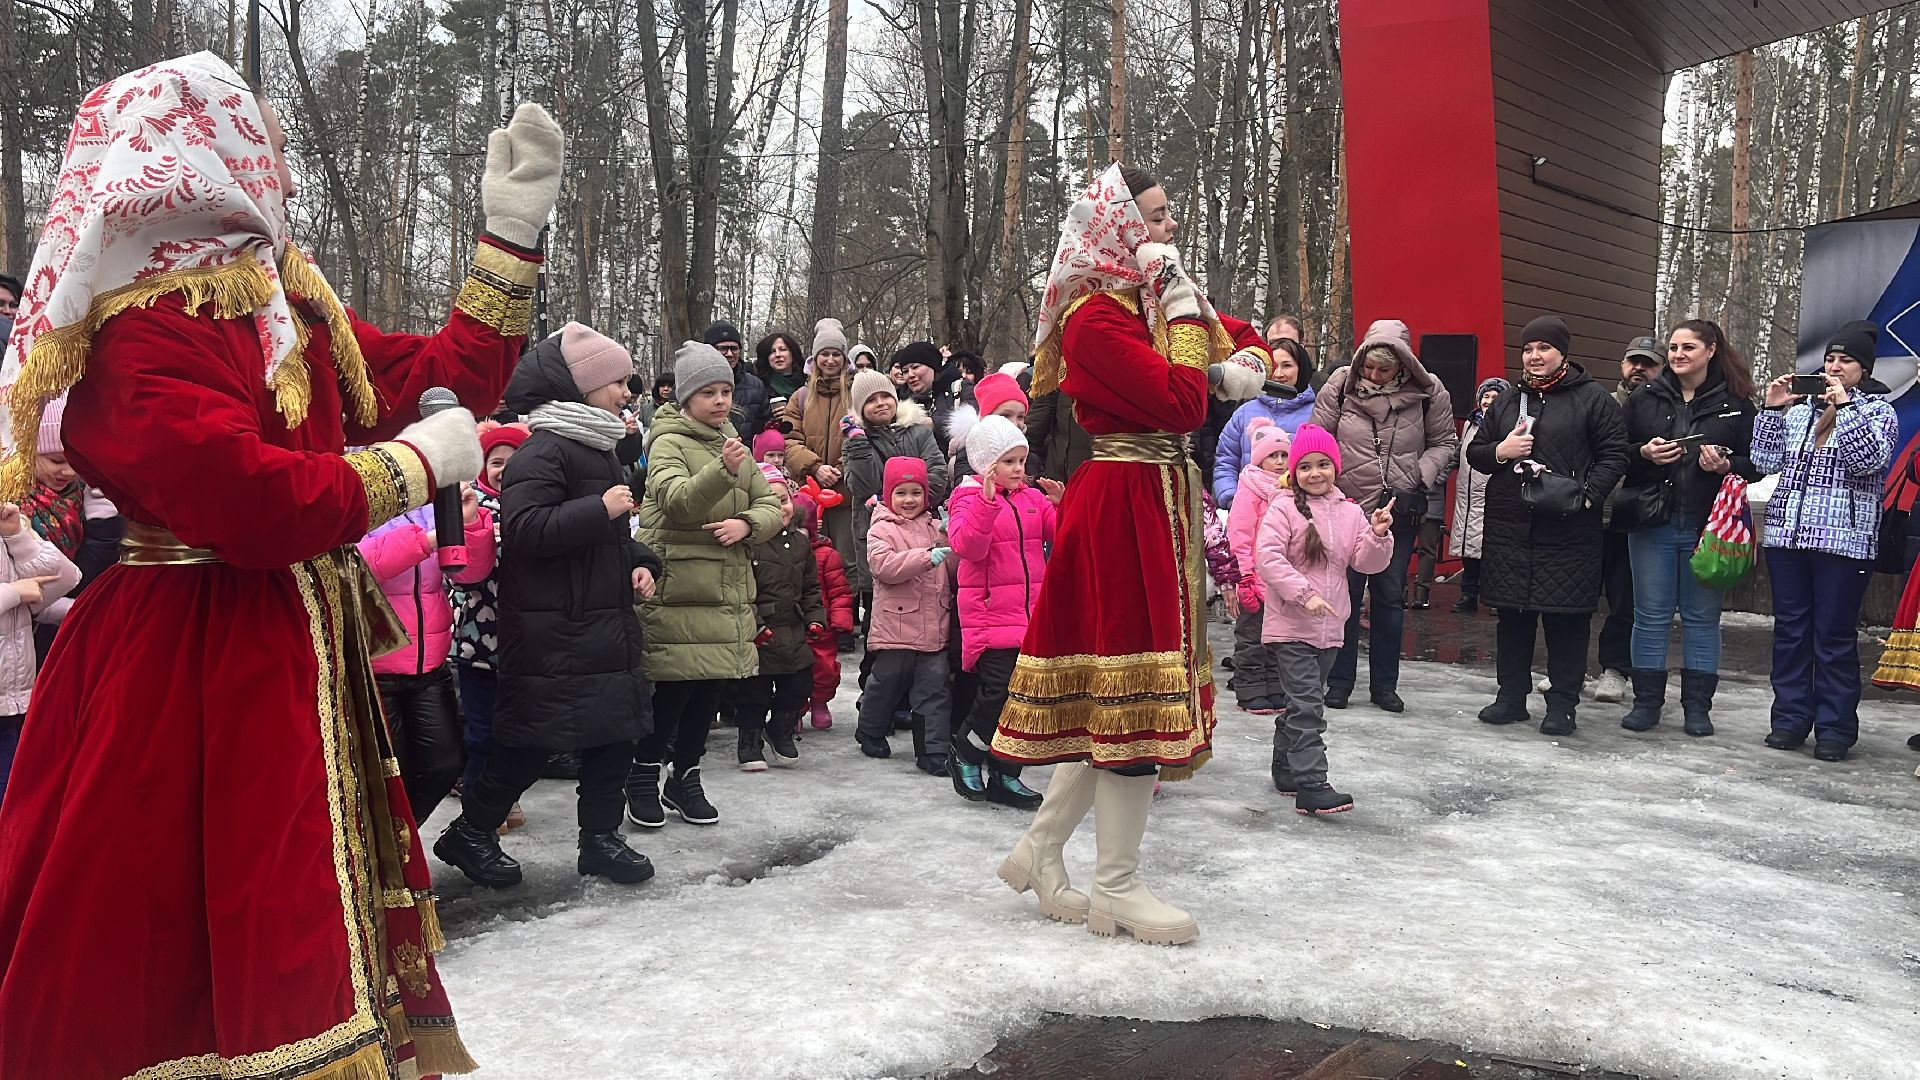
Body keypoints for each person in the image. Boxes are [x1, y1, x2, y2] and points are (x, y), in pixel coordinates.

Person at [0, 54, 559, 1076]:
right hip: (192, 658)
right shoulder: (140, 325)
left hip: (287, 641)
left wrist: (510, 240)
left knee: (295, 888)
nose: (287, 170)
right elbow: (246, 504)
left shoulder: (282, 299)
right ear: (201, 154)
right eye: (268, 142)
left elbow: (440, 383)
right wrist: (406, 469)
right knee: (190, 904)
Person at [992, 163, 1269, 947]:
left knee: (1109, 700)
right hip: (1123, 499)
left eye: (1169, 212)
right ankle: (1117, 885)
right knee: (1131, 692)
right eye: (1155, 216)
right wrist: (1195, 331)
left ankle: (1041, 849)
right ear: (1119, 228)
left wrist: (1222, 352)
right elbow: (1185, 399)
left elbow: (1246, 345)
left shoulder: (1138, 303)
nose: (1169, 227)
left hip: (1157, 496)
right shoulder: (1094, 318)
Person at [436, 324, 663, 892]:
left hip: (596, 619)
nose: (626, 391)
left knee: (616, 734)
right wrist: (600, 509)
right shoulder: (543, 450)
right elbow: (528, 530)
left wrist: (640, 560)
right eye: (615, 382)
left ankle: (600, 839)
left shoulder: (593, 446)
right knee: (532, 742)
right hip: (552, 628)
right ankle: (471, 831)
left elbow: (604, 536)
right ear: (579, 389)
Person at [628, 342, 784, 824]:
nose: (720, 401)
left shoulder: (733, 443)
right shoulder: (667, 441)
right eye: (709, 392)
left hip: (726, 590)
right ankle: (642, 775)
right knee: (673, 691)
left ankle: (686, 776)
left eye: (726, 391)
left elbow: (771, 505)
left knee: (709, 693)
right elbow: (678, 502)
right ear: (685, 398)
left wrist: (747, 526)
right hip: (678, 589)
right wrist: (723, 471)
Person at [1467, 315, 1630, 736]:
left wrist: (1588, 496)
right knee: (1513, 617)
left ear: (1563, 352)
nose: (1535, 356)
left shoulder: (1593, 399)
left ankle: (1562, 706)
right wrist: (1501, 450)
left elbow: (1615, 455)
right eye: (1528, 349)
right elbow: (1477, 453)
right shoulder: (1506, 400)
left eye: (1544, 348)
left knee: (1566, 620)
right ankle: (1510, 698)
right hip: (1510, 526)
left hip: (1569, 530)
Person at [1754, 320, 1897, 762]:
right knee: (1791, 632)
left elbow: (1866, 461)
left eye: (1845, 361)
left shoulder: (1878, 412)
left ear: (1863, 369)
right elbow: (1763, 460)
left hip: (1844, 542)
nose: (1834, 367)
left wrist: (1846, 407)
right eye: (1830, 359)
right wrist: (1773, 410)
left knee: (1832, 636)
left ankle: (1835, 728)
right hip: (1787, 537)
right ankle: (1790, 720)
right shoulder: (1800, 410)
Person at [1616, 320, 1757, 737]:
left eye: (1688, 347)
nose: (1677, 354)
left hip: (1707, 526)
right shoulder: (1644, 397)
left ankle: (1698, 708)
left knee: (1701, 618)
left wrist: (1727, 465)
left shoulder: (1736, 402)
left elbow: (1758, 462)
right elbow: (1614, 453)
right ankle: (1646, 704)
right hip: (1652, 522)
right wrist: (1644, 452)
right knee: (1650, 616)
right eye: (1673, 347)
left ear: (1711, 350)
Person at [1309, 319, 1458, 712]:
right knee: (1345, 596)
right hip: (1344, 509)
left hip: (1398, 511)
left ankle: (1385, 687)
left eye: (1384, 369)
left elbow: (1445, 444)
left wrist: (1419, 477)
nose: (1374, 375)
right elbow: (1316, 441)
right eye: (1369, 367)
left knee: (1390, 596)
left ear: (1404, 365)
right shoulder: (1340, 384)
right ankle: (1338, 682)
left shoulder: (1430, 391)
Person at [1256, 424, 1395, 814]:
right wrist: (1306, 595)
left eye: (1323, 465)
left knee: (1303, 702)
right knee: (1308, 707)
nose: (1315, 473)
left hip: (1331, 629)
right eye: (1305, 467)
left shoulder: (1350, 512)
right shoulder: (1283, 507)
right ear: (1294, 473)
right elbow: (1268, 558)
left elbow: (1366, 563)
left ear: (1335, 467)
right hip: (1291, 626)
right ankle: (1312, 784)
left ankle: (1285, 765)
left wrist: (1379, 535)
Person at [359, 469, 496, 824]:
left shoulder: (430, 503)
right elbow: (365, 566)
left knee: (445, 764)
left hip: (429, 665)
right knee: (390, 774)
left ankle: (398, 849)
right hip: (375, 669)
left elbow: (468, 574)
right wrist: (431, 538)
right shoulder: (359, 503)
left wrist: (467, 523)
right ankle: (389, 859)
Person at [947, 415, 1061, 808]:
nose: (1018, 470)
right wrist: (987, 502)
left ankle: (1005, 771)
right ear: (986, 464)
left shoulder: (1032, 498)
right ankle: (967, 749)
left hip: (1031, 618)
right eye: (1009, 462)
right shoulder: (968, 498)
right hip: (992, 617)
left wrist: (1062, 506)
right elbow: (967, 547)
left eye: (1021, 461)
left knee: (1024, 701)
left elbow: (1060, 539)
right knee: (998, 693)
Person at [451, 422, 530, 831]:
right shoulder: (472, 505)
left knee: (515, 729)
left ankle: (506, 796)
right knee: (482, 729)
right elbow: (461, 572)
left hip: (526, 640)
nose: (505, 470)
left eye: (514, 462)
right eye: (496, 462)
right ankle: (479, 804)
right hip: (478, 642)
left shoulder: (537, 505)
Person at [857, 456, 954, 772]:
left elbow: (951, 566)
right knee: (886, 683)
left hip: (934, 625)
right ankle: (870, 729)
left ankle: (932, 752)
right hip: (896, 626)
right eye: (901, 493)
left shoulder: (933, 526)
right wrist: (926, 557)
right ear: (888, 495)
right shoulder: (881, 529)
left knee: (934, 689)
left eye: (916, 492)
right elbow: (884, 567)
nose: (909, 500)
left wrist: (951, 538)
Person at [1590, 336, 1667, 701]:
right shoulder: (1599, 404)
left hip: (1634, 515)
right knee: (1576, 596)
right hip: (1591, 513)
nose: (1639, 368)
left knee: (1625, 600)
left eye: (1648, 363)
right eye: (1633, 361)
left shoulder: (1664, 408)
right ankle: (1569, 667)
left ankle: (1616, 669)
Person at [738, 465, 826, 770]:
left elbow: (811, 587)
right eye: (770, 501)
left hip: (793, 628)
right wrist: (755, 626)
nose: (781, 508)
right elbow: (740, 590)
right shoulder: (749, 544)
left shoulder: (801, 543)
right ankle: (749, 740)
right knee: (754, 693)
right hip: (759, 631)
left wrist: (815, 617)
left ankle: (780, 727)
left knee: (801, 683)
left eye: (785, 499)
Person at [22, 394, 122, 661]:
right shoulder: (14, 504)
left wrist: (106, 525)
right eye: (56, 460)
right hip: (27, 643)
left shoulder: (85, 495)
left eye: (76, 461)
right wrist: (67, 610)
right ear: (31, 452)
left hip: (78, 630)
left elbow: (94, 569)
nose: (68, 471)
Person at [844, 363, 950, 602]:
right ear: (861, 408)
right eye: (871, 400)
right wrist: (859, 444)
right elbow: (861, 488)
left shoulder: (919, 432)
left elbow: (937, 474)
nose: (881, 403)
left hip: (922, 525)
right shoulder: (855, 441)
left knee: (923, 590)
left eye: (885, 396)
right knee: (882, 598)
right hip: (877, 529)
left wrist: (909, 502)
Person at [0, 499, 79, 800]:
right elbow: (24, 594)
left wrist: (17, 538)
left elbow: (65, 577)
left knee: (19, 796)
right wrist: (13, 593)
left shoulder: (7, 524)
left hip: (16, 698)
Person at [783, 318, 857, 630]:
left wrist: (839, 470)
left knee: (846, 562)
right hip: (809, 494)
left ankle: (844, 623)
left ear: (844, 359)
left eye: (836, 354)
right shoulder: (800, 397)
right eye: (824, 354)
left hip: (846, 492)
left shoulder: (857, 392)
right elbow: (788, 440)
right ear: (815, 359)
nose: (830, 360)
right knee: (808, 559)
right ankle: (810, 618)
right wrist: (815, 467)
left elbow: (866, 434)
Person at [1226, 420, 1293, 713]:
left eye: (1283, 456)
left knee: (1279, 639)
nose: (1279, 462)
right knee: (1252, 639)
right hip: (1254, 578)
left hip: (1282, 580)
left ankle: (1275, 686)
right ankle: (1250, 689)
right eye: (1272, 456)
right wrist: (1244, 576)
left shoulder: (1291, 491)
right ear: (1259, 458)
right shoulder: (1249, 490)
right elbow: (1239, 537)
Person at [1213, 337, 1316, 507]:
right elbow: (1226, 460)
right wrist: (1232, 497)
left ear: (1301, 369)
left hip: (1300, 511)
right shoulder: (1244, 412)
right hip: (1248, 510)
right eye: (1274, 366)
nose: (1278, 374)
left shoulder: (1318, 413)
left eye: (1287, 366)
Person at [1446, 377, 1511, 613]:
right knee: (1469, 550)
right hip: (1467, 496)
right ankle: (1468, 595)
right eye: (1486, 396)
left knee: (1492, 549)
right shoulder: (1469, 425)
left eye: (1495, 397)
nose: (1489, 401)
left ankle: (1495, 597)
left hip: (1491, 494)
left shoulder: (1507, 425)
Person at [798, 490, 854, 729]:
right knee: (794, 675)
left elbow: (840, 591)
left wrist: (841, 619)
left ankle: (820, 702)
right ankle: (795, 710)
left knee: (825, 671)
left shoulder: (827, 556)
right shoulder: (782, 554)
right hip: (793, 628)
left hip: (822, 628)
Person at [706, 319, 769, 438]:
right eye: (722, 348)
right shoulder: (692, 384)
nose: (730, 354)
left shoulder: (755, 385)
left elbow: (764, 428)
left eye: (734, 348)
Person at [755, 329, 807, 402]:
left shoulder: (809, 382)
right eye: (772, 351)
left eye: (782, 349)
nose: (778, 355)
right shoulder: (757, 386)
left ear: (793, 353)